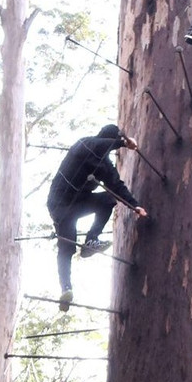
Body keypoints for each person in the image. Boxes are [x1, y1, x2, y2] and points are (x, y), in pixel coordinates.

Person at [47, 125, 147, 310]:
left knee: (108, 199)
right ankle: (66, 288)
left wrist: (135, 205)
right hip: (60, 205)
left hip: (77, 203)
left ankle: (91, 240)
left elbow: (116, 186)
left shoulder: (104, 165)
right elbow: (97, 145)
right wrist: (123, 143)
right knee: (67, 246)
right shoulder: (85, 144)